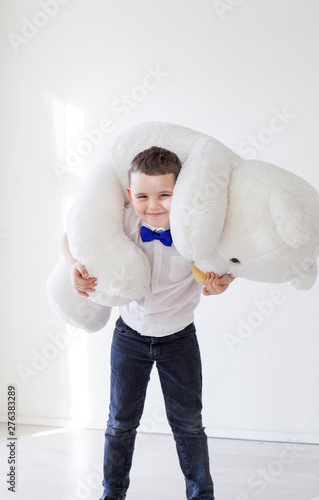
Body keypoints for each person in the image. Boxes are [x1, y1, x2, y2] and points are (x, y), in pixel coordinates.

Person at [61, 146, 235, 500]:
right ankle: (112, 493)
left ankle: (201, 494)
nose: (153, 205)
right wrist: (72, 266)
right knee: (120, 422)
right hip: (130, 337)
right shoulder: (123, 221)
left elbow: (213, 269)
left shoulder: (194, 230)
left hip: (179, 338)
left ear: (180, 194)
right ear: (129, 195)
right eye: (142, 196)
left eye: (164, 195)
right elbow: (71, 234)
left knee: (188, 425)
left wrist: (218, 283)